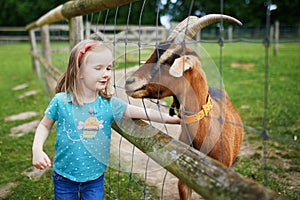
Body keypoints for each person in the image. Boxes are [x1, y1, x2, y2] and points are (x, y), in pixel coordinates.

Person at [32, 39, 180, 200]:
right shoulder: (61, 101)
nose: (106, 74)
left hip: (95, 178)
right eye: (98, 68)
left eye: (108, 68)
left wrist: (173, 118)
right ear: (79, 71)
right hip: (64, 176)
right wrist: (37, 150)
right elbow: (44, 125)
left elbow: (143, 112)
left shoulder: (109, 105)